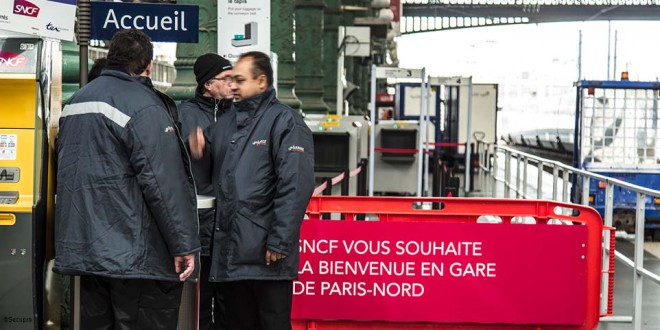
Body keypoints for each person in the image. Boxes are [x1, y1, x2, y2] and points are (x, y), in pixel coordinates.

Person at [54, 29, 200, 330]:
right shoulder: (143, 105)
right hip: (134, 255)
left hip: (87, 251)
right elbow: (162, 183)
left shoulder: (76, 103)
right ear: (147, 65)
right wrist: (183, 245)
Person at [189, 51, 315, 330]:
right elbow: (215, 170)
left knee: (270, 322)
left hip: (266, 255)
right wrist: (201, 151)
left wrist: (280, 241)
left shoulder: (286, 122)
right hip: (231, 254)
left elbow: (295, 184)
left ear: (261, 82)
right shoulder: (227, 123)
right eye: (231, 79)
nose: (233, 85)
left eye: (240, 80)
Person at [179, 53, 233, 330]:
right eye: (226, 79)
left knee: (227, 297)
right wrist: (195, 149)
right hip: (200, 218)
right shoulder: (187, 113)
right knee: (200, 296)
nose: (231, 83)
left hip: (229, 219)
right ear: (208, 84)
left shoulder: (236, 112)